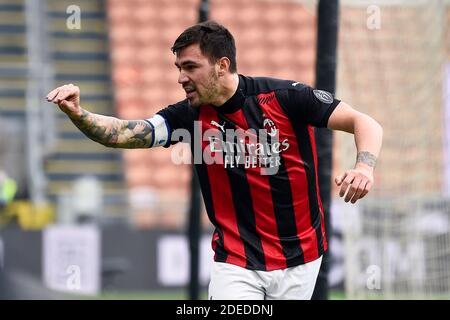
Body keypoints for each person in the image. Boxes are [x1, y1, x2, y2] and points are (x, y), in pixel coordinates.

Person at [46, 21, 382, 300]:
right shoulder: (186, 116)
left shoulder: (285, 98)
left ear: (222, 65)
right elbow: (124, 132)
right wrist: (79, 113)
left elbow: (364, 122)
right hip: (235, 260)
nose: (181, 78)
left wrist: (363, 165)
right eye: (179, 68)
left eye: (190, 67)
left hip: (301, 256)